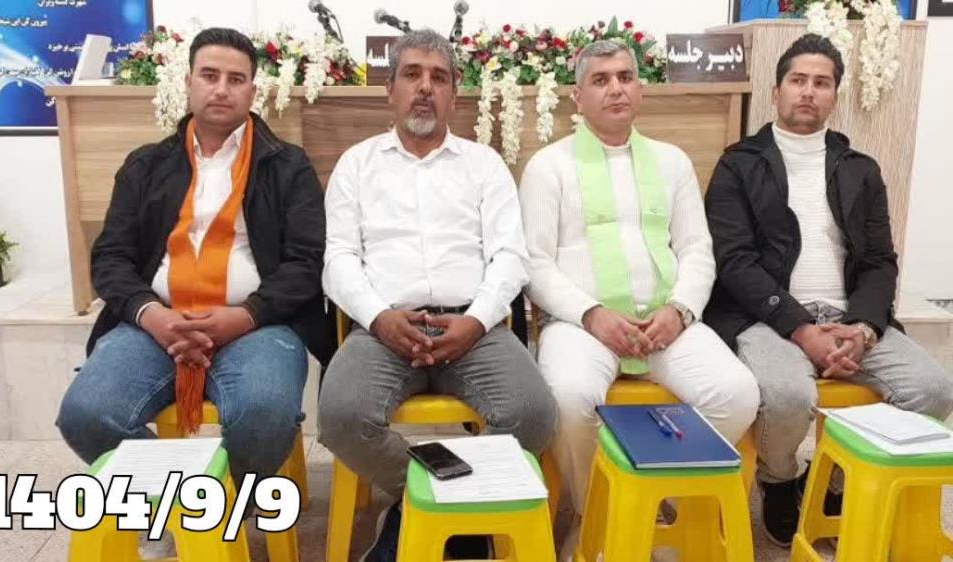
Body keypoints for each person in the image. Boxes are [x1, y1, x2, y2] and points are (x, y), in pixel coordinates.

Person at [57, 26, 330, 503]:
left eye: (236, 79)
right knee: (87, 413)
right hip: (155, 324)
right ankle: (190, 505)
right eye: (209, 75)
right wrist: (152, 315)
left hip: (258, 324)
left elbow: (307, 263)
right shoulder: (146, 165)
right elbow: (111, 257)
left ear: (253, 91)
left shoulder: (287, 166)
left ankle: (221, 511)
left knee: (265, 414)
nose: (222, 89)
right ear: (187, 83)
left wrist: (244, 315)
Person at [704, 33, 953, 547]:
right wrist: (801, 328)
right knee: (787, 395)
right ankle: (779, 480)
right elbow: (735, 263)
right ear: (776, 91)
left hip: (849, 314)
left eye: (821, 83)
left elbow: (880, 261)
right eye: (798, 80)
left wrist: (862, 329)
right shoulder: (738, 164)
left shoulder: (860, 169)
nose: (808, 91)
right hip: (767, 316)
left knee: (934, 388)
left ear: (834, 96)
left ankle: (834, 481)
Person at [318, 28, 557, 562]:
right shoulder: (357, 164)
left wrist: (476, 321)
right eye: (412, 74)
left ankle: (425, 514)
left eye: (439, 77)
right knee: (340, 416)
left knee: (534, 413)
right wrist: (379, 318)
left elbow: (510, 257)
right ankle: (438, 506)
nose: (425, 87)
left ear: (453, 94)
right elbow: (338, 260)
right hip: (383, 329)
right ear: (391, 89)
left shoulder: (484, 165)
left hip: (473, 329)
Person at [519, 39, 760, 559]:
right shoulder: (548, 166)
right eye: (600, 80)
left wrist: (680, 310)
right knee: (569, 396)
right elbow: (534, 264)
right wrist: (591, 314)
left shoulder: (672, 163)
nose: (616, 89)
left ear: (640, 90)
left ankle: (658, 494)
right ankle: (596, 511)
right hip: (581, 325)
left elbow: (697, 249)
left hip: (664, 323)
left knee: (737, 393)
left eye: (625, 77)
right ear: (578, 97)